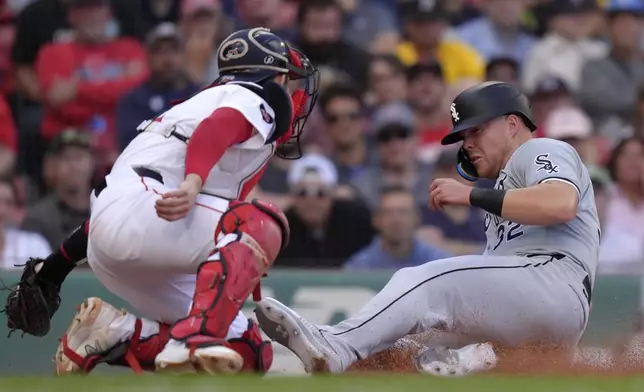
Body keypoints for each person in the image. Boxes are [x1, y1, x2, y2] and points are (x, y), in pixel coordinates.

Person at [4, 27, 319, 376]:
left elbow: (119, 216)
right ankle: (196, 335)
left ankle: (112, 333)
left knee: (246, 353)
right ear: (274, 75)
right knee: (262, 222)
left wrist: (55, 267)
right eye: (287, 78)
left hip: (121, 239)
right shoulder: (256, 95)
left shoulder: (197, 106)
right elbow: (216, 129)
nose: (291, 89)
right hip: (141, 222)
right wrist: (194, 181)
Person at [255, 81, 599, 377]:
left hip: (552, 280)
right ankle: (461, 360)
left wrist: (472, 195)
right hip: (543, 315)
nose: (467, 143)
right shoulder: (507, 190)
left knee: (420, 281)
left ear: (512, 124)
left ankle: (337, 345)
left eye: (477, 131)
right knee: (407, 352)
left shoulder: (539, 149)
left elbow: (560, 203)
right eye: (464, 136)